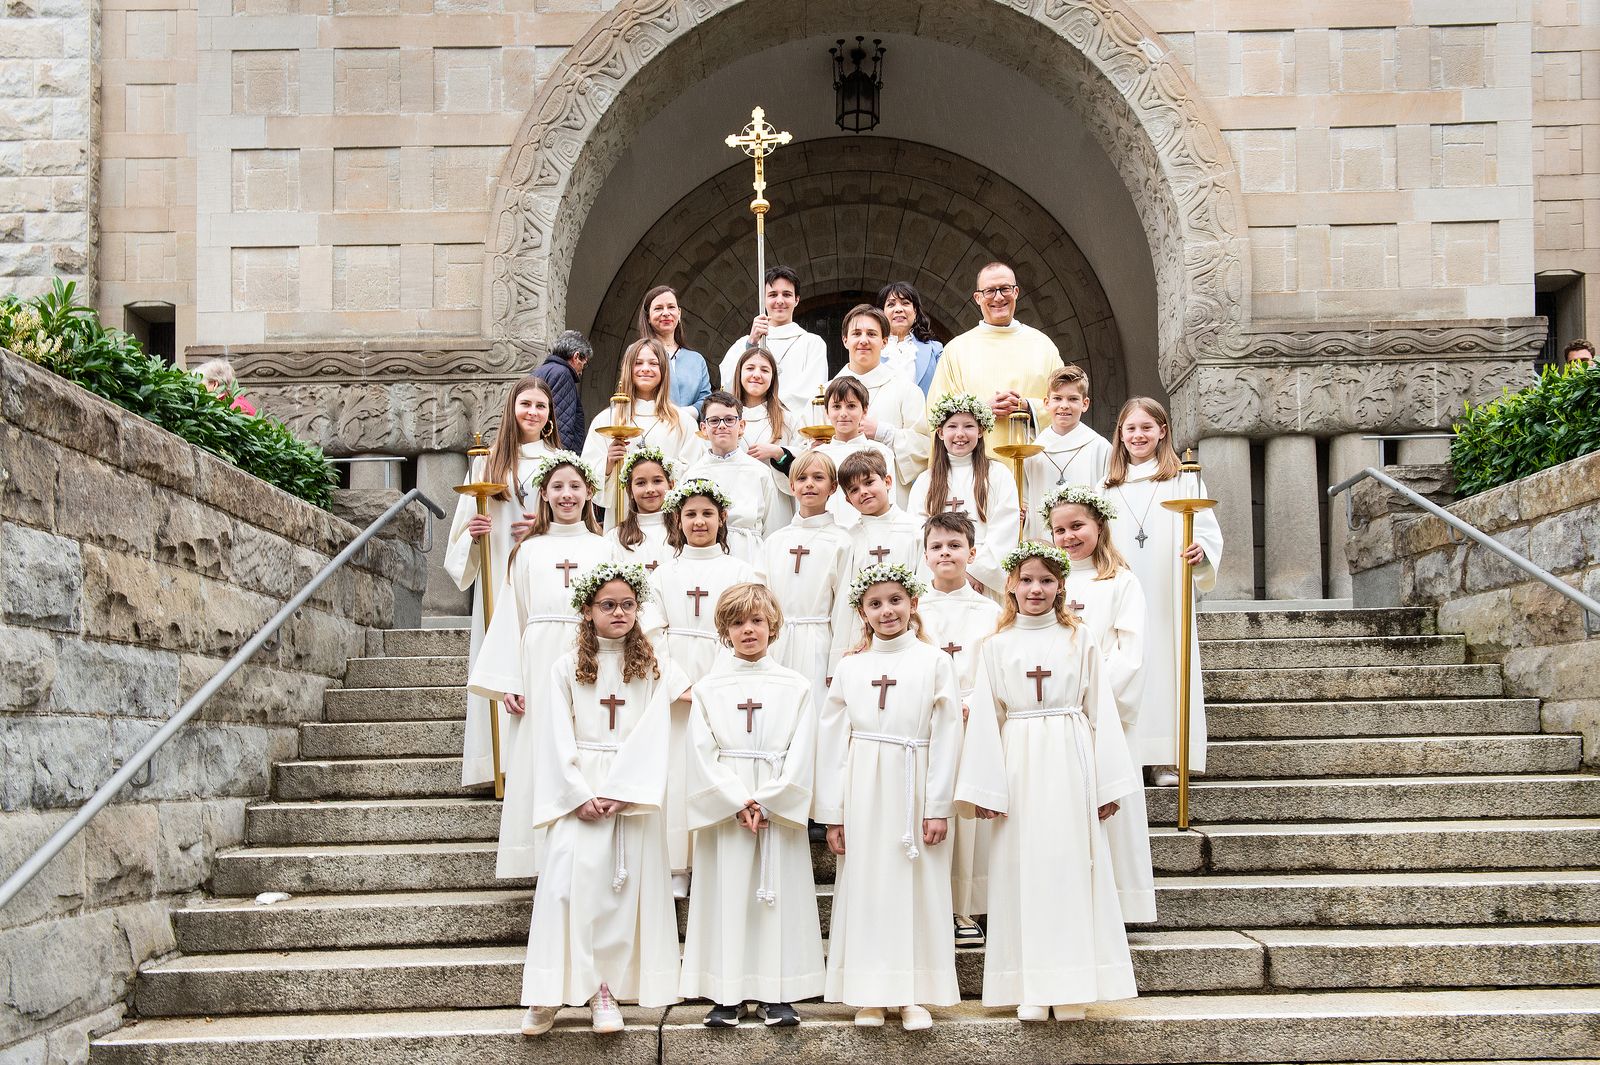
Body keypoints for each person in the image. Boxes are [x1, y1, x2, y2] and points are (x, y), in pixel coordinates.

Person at [955, 541, 1139, 1020]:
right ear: (1011, 586)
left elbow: (1102, 711)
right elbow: (986, 719)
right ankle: (1030, 986)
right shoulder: (994, 645)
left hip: (1069, 757)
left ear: (1061, 587)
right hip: (1017, 759)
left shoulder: (1081, 638)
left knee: (1070, 868)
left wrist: (1107, 785)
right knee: (1022, 872)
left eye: (1046, 580)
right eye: (1026, 580)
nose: (1035, 589)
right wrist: (986, 789)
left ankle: (1073, 987)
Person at [513, 561, 687, 1036]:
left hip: (630, 793)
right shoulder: (565, 666)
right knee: (565, 888)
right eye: (608, 604)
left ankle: (603, 990)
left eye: (628, 604)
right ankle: (547, 992)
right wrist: (576, 793)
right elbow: (553, 732)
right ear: (587, 610)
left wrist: (624, 790)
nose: (619, 612)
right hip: (582, 788)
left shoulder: (653, 667)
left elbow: (656, 729)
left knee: (617, 894)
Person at [814, 562, 976, 1031]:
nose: (887, 611)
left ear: (913, 603)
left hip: (915, 781)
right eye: (875, 604)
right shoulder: (851, 666)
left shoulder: (934, 661)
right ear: (862, 613)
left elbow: (947, 735)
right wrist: (833, 815)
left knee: (917, 888)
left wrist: (938, 806)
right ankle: (869, 993)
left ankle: (913, 994)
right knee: (868, 888)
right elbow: (832, 742)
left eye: (895, 600)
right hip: (863, 786)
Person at [680, 583, 823, 1027]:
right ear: (724, 630)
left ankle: (777, 992)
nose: (748, 630)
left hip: (773, 805)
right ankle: (727, 993)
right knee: (727, 895)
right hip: (730, 809)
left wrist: (768, 800)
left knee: (774, 898)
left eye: (757, 621)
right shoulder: (709, 688)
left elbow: (803, 749)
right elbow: (700, 751)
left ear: (772, 626)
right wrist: (736, 800)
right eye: (738, 622)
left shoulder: (796, 686)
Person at [469, 451, 611, 880]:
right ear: (544, 495)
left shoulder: (606, 547)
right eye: (557, 487)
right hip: (538, 660)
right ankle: (538, 856)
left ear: (589, 493)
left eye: (575, 486)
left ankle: (588, 854)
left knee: (585, 747)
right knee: (538, 750)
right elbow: (511, 615)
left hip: (590, 656)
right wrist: (510, 680)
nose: (567, 495)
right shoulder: (527, 551)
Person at [1044, 485, 1155, 924]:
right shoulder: (1045, 581)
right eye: (1059, 530)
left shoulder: (1122, 582)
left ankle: (1120, 905)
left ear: (1099, 526)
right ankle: (1070, 904)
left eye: (1077, 526)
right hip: (1058, 711)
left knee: (1109, 806)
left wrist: (1092, 698)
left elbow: (1131, 651)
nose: (1068, 537)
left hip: (1104, 712)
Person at [444, 375, 559, 789]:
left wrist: (544, 525)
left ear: (549, 416)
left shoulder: (560, 460)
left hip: (545, 571)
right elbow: (460, 535)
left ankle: (542, 763)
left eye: (541, 406)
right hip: (498, 568)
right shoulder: (487, 463)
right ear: (512, 409)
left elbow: (578, 517)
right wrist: (474, 535)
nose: (533, 412)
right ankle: (495, 764)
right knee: (500, 654)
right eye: (526, 404)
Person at [1102, 397, 1223, 787]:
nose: (1138, 435)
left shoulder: (1183, 481)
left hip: (1167, 591)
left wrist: (1201, 551)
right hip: (1121, 591)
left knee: (1167, 666)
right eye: (1131, 428)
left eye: (1146, 427)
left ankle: (1167, 758)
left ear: (1162, 431)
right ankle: (1126, 757)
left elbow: (1206, 532)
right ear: (1120, 434)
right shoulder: (1105, 488)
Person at [651, 478, 763, 897]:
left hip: (724, 680)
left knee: (715, 765)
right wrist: (678, 683)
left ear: (722, 518)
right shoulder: (663, 574)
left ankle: (711, 861)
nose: (699, 521)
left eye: (707, 514)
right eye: (691, 514)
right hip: (675, 687)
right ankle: (676, 865)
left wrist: (714, 685)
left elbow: (748, 626)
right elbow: (650, 632)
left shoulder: (741, 572)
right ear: (677, 520)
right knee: (676, 771)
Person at [915, 511, 1001, 949]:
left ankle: (968, 907)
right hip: (926, 721)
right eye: (937, 546)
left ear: (972, 552)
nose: (945, 553)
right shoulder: (913, 609)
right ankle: (931, 906)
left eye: (955, 545)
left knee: (970, 818)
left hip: (973, 719)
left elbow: (996, 668)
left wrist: (971, 706)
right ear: (925, 555)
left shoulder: (991, 612)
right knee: (932, 809)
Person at [926, 261, 1063, 446]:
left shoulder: (1044, 346)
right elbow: (936, 412)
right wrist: (981, 411)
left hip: (1034, 458)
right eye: (989, 291)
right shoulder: (956, 350)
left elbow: (1066, 403)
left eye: (1005, 289)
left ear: (1016, 292)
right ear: (977, 298)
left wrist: (1028, 407)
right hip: (977, 459)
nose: (998, 297)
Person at [761, 451, 854, 706]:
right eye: (801, 478)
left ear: (833, 487)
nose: (809, 484)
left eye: (818, 477)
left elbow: (845, 606)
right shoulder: (774, 542)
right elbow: (760, 598)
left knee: (816, 710)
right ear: (792, 487)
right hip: (777, 643)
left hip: (819, 644)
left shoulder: (842, 541)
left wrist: (837, 662)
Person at [907, 392, 1019, 597]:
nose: (960, 434)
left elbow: (1005, 530)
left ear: (981, 431)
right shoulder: (925, 481)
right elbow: (917, 532)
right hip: (937, 580)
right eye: (952, 426)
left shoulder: (998, 474)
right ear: (940, 432)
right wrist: (950, 571)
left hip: (981, 583)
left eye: (968, 426)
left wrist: (973, 571)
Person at [580, 337, 699, 528]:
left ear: (664, 370)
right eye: (638, 363)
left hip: (670, 520)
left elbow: (694, 472)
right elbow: (586, 476)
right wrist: (608, 464)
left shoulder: (683, 422)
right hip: (623, 517)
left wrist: (660, 469)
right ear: (628, 369)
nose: (645, 369)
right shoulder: (607, 420)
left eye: (653, 363)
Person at [832, 303, 931, 505]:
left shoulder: (907, 390)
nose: (863, 340)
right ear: (845, 340)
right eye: (856, 333)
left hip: (890, 501)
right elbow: (804, 449)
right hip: (836, 500)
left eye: (871, 334)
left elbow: (925, 449)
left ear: (884, 341)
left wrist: (883, 433)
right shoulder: (824, 394)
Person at [1022, 365, 1112, 541]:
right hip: (1044, 546)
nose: (1064, 405)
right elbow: (1024, 504)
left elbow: (1109, 503)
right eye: (1057, 398)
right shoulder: (1031, 453)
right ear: (1046, 403)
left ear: (1085, 404)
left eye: (1072, 399)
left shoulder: (1100, 448)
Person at [719, 266, 827, 411]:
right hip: (750, 418)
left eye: (787, 294)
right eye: (773, 295)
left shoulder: (812, 343)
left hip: (792, 420)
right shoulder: (744, 344)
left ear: (796, 300)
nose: (780, 301)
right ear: (763, 299)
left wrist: (770, 409)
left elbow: (813, 389)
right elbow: (727, 386)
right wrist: (751, 344)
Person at [681, 390, 780, 549]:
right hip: (707, 551)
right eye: (714, 420)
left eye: (729, 420)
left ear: (741, 426)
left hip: (749, 551)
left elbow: (773, 525)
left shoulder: (760, 472)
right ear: (704, 428)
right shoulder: (693, 475)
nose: (722, 425)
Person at [811, 376, 895, 529]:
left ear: (864, 410)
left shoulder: (881, 452)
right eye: (836, 406)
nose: (843, 413)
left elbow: (889, 499)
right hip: (828, 532)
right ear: (827, 412)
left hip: (870, 530)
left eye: (851, 406)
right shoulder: (817, 455)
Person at [730, 344, 798, 526]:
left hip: (776, 501)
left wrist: (779, 453)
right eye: (750, 368)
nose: (757, 375)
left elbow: (803, 464)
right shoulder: (726, 417)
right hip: (735, 497)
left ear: (773, 377)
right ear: (739, 373)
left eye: (765, 370)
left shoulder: (786, 419)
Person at [839, 450, 925, 588]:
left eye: (869, 482)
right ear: (849, 500)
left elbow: (924, 580)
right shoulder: (849, 539)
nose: (863, 492)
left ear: (887, 482)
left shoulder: (915, 529)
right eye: (854, 490)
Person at [639, 285, 712, 415]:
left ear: (679, 313)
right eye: (658, 308)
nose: (666, 313)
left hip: (689, 424)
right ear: (648, 317)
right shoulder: (637, 353)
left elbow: (705, 399)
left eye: (671, 307)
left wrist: (685, 414)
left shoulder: (696, 360)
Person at [605, 445, 675, 576]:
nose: (650, 489)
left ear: (671, 485)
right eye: (641, 483)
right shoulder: (615, 537)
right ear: (630, 491)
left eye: (657, 481)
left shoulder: (684, 532)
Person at [533, 330, 592, 458]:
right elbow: (562, 425)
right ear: (576, 356)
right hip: (554, 456)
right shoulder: (563, 374)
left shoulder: (540, 371)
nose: (581, 371)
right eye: (585, 364)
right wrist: (563, 461)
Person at [879, 280, 943, 395]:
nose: (898, 309)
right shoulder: (872, 349)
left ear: (915, 311)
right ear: (882, 313)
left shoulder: (935, 350)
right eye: (891, 304)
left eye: (905, 303)